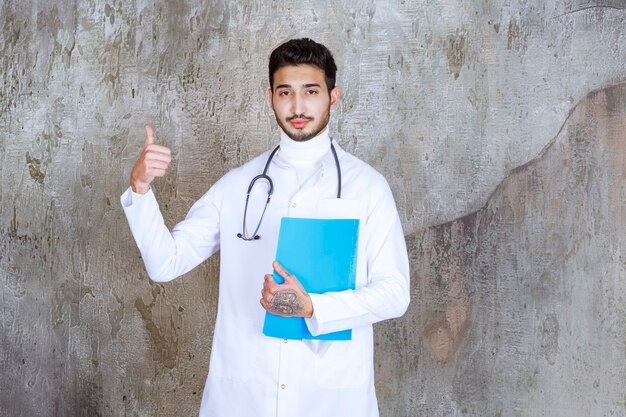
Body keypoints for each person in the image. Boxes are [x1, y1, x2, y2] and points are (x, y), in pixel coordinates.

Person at [121, 38, 410, 417]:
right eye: (285, 92)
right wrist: (140, 188)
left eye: (311, 91)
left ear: (333, 97)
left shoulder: (367, 188)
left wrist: (313, 307)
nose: (298, 106)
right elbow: (165, 263)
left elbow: (395, 294)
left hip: (330, 400)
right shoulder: (238, 185)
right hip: (244, 398)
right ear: (271, 98)